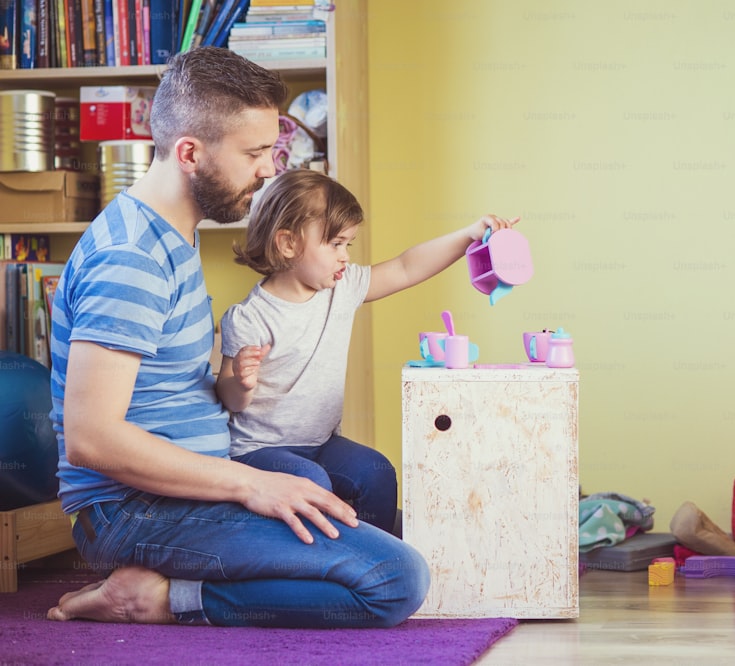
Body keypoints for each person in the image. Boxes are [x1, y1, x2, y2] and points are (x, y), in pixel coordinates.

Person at [46, 46, 429, 628]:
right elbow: (91, 439)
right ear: (191, 153)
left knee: (342, 486)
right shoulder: (131, 259)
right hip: (132, 511)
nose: (270, 169)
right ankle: (164, 599)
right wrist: (252, 485)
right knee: (395, 578)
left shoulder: (173, 233)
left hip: (189, 485)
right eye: (254, 153)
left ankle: (197, 574)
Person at [215, 169, 518, 535]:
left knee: (375, 472)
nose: (345, 257)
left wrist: (469, 235)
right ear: (288, 244)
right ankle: (327, 565)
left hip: (321, 442)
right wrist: (242, 383)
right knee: (311, 483)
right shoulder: (250, 317)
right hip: (258, 451)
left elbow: (407, 267)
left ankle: (372, 555)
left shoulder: (341, 289)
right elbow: (229, 398)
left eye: (349, 245)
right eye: (335, 244)